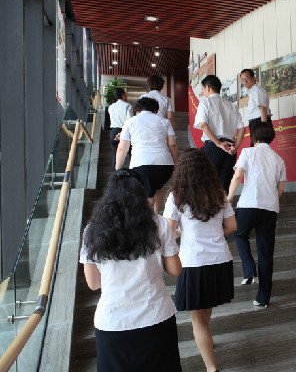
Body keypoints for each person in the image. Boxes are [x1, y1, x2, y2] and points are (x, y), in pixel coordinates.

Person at [80, 168, 182, 372]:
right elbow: (175, 270)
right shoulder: (159, 224)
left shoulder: (92, 230)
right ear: (141, 192)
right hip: (155, 317)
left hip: (112, 322)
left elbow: (93, 283)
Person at [164, 149, 236, 372]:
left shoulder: (176, 197)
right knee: (205, 313)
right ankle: (207, 343)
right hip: (220, 259)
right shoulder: (219, 193)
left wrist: (184, 234)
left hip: (194, 262)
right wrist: (214, 234)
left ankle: (211, 368)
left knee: (198, 320)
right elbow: (232, 226)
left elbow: (168, 232)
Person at [227, 122, 286, 308]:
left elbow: (237, 177)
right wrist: (270, 200)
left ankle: (249, 269)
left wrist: (229, 198)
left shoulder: (247, 152)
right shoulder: (279, 159)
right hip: (270, 209)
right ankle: (263, 298)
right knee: (266, 253)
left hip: (248, 205)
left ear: (254, 138)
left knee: (239, 234)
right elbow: (280, 190)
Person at [115, 97, 178, 214]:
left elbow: (122, 148)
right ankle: (156, 215)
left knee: (147, 194)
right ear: (155, 110)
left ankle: (149, 220)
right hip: (165, 165)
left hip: (141, 165)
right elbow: (172, 145)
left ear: (137, 110)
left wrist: (118, 168)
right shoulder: (164, 121)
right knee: (158, 187)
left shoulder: (130, 122)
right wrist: (176, 164)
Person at [194, 75, 245, 190]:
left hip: (213, 147)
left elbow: (203, 124)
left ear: (208, 87)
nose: (203, 92)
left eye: (203, 89)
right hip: (230, 149)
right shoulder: (231, 105)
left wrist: (219, 144)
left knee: (208, 185)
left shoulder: (205, 103)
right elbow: (242, 129)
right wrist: (235, 147)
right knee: (224, 186)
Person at [240, 68, 272, 144]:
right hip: (256, 123)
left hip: (259, 123)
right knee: (256, 147)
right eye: (242, 79)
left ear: (254, 78)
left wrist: (263, 128)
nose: (245, 81)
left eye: (247, 78)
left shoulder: (257, 90)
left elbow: (263, 108)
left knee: (258, 147)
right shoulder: (252, 92)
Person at [108, 88, 133, 169]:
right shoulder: (127, 106)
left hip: (114, 132)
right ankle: (132, 172)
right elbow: (129, 121)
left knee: (115, 155)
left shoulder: (111, 107)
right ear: (123, 95)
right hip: (125, 131)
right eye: (125, 94)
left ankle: (115, 174)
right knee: (131, 154)